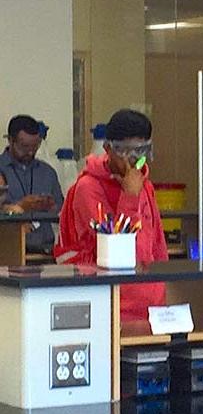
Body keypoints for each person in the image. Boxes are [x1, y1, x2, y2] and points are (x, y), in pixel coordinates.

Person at [55, 109, 168, 322]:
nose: (134, 160)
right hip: (110, 302)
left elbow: (157, 244)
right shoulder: (88, 187)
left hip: (150, 299)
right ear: (108, 148)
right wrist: (129, 196)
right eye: (125, 151)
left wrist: (162, 291)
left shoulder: (145, 185)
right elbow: (113, 248)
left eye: (141, 151)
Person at [0, 114, 62, 254]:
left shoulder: (48, 172)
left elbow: (62, 211)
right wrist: (20, 206)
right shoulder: (1, 170)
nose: (30, 152)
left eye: (35, 146)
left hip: (45, 251)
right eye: (24, 146)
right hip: (7, 252)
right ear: (10, 140)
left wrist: (52, 206)